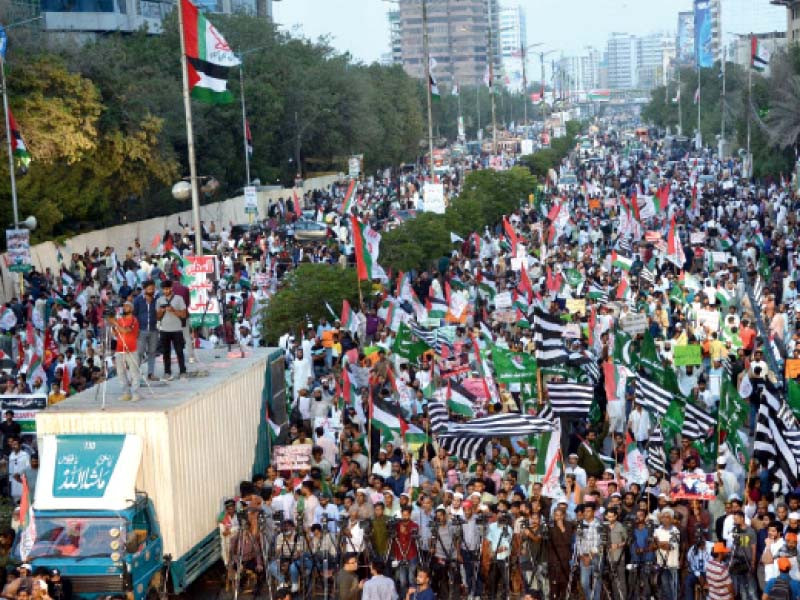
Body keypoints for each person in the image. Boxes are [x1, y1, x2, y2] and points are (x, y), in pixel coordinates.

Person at [107, 299, 140, 401]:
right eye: (124, 306)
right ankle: (126, 393)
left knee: (134, 372)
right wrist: (112, 324)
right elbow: (115, 334)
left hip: (131, 349)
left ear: (131, 308)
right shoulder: (120, 320)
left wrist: (115, 323)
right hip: (120, 349)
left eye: (126, 306)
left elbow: (127, 331)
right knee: (120, 372)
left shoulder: (134, 320)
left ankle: (135, 393)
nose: (124, 308)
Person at [155, 280, 188, 381]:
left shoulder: (179, 299)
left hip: (177, 329)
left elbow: (184, 315)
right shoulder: (160, 300)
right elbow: (157, 317)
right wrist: (161, 312)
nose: (166, 291)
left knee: (179, 351)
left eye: (167, 289)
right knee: (166, 352)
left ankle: (182, 371)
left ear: (171, 288)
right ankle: (167, 372)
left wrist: (173, 310)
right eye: (164, 289)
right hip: (164, 329)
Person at [133, 279, 159, 381]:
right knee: (139, 352)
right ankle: (135, 375)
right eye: (149, 288)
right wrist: (136, 329)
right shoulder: (138, 300)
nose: (152, 290)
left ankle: (151, 373)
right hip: (141, 330)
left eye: (153, 288)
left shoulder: (157, 299)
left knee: (152, 352)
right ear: (145, 289)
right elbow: (134, 315)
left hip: (153, 329)